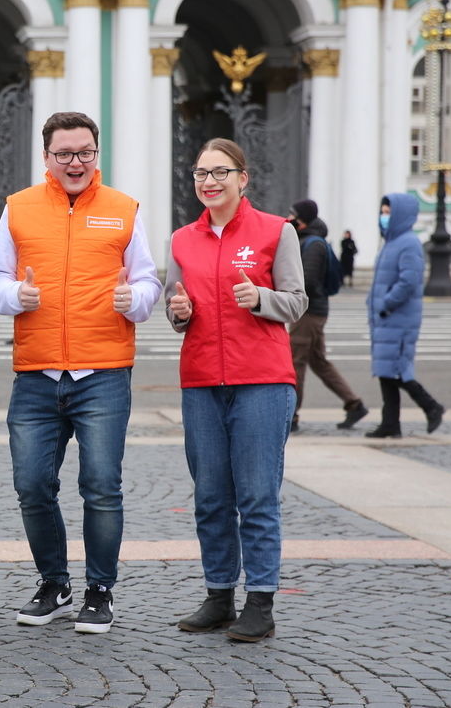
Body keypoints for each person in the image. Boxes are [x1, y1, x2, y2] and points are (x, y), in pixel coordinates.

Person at [0, 111, 163, 635]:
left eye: (85, 152)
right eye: (64, 153)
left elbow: (150, 281)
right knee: (32, 484)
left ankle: (99, 590)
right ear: (46, 157)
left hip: (103, 372)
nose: (75, 163)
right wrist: (13, 296)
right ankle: (55, 582)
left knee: (101, 487)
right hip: (37, 371)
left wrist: (134, 299)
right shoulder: (18, 208)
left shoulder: (122, 209)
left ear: (96, 154)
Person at [165, 138, 307, 643]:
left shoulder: (276, 231)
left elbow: (296, 302)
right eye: (201, 173)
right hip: (202, 380)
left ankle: (261, 602)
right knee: (210, 497)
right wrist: (177, 313)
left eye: (220, 172)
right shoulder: (183, 239)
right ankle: (219, 594)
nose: (209, 181)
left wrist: (261, 297)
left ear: (242, 178)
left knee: (256, 496)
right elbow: (175, 304)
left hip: (262, 382)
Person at [365, 193, 446, 438]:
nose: (384, 216)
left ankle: (431, 407)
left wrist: (387, 303)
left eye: (389, 212)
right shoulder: (392, 242)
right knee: (386, 372)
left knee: (398, 370)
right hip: (387, 318)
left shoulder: (408, 243)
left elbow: (409, 280)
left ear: (400, 214)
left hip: (397, 317)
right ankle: (390, 423)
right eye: (383, 211)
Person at [286, 199, 367, 433]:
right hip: (313, 311)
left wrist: (285, 290)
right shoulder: (310, 240)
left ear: (303, 220)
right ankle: (354, 404)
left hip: (308, 312)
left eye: (293, 215)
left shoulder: (313, 245)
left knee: (296, 362)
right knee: (319, 362)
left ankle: (292, 415)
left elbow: (308, 282)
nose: (289, 218)